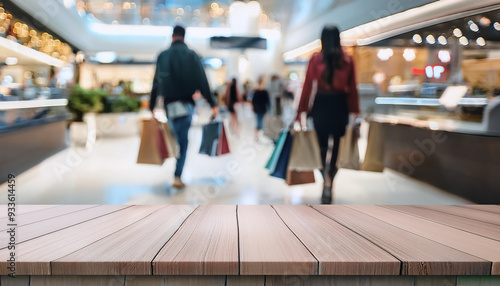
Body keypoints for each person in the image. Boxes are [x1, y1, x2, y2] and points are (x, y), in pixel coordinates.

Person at [296, 25, 360, 204]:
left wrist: (300, 111)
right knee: (337, 147)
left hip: (321, 104)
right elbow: (353, 88)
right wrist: (355, 112)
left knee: (321, 147)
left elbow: (308, 86)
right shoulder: (347, 60)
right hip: (340, 105)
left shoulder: (316, 59)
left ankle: (325, 177)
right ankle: (331, 178)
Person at [149, 25, 217, 188]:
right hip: (186, 105)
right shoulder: (192, 55)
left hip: (169, 105)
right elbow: (203, 80)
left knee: (173, 136)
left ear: (173, 36)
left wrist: (152, 105)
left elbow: (156, 82)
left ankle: (176, 166)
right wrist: (212, 103)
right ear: (184, 37)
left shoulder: (163, 55)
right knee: (183, 140)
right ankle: (177, 175)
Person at [251, 76, 271, 141]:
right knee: (259, 122)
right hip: (259, 108)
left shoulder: (261, 91)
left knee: (260, 122)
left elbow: (267, 101)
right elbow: (267, 101)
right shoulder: (258, 91)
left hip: (260, 108)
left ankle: (258, 136)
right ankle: (258, 136)